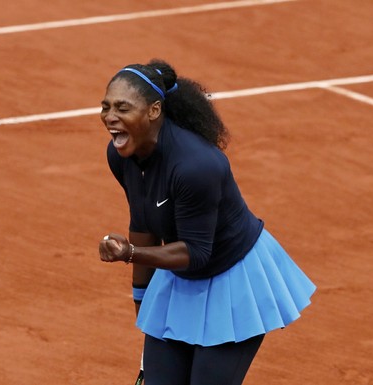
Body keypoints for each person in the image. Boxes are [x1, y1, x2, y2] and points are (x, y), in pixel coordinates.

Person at [97, 59, 316, 385]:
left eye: (123, 108)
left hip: (233, 278)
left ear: (154, 111)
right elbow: (143, 225)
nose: (110, 117)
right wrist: (142, 304)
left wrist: (129, 254)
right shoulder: (121, 155)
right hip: (179, 278)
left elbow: (196, 252)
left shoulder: (195, 166)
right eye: (106, 107)